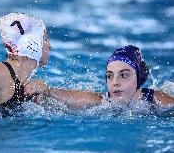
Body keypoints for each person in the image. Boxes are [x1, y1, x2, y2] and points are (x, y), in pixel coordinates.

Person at [24, 45, 174, 109]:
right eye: (109, 76)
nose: (115, 82)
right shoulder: (103, 101)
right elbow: (65, 95)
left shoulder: (156, 100)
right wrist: (44, 88)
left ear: (139, 78)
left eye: (124, 75)